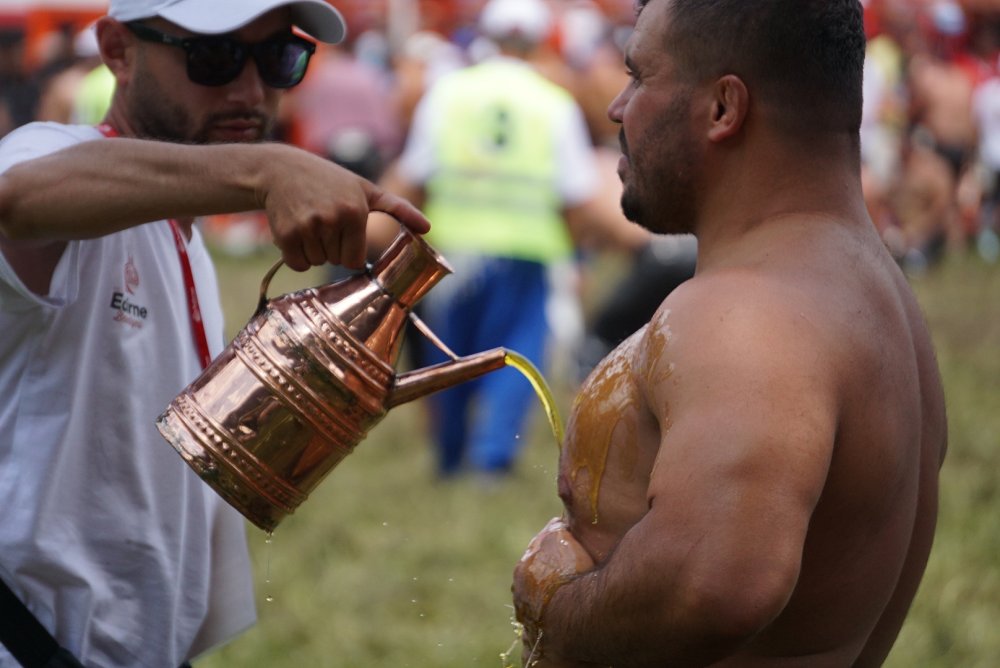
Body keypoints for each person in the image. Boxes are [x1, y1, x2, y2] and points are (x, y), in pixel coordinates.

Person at [512, 1, 948, 666]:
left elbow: (715, 584)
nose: (618, 107)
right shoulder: (877, 296)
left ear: (723, 108)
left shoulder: (747, 314)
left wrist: (553, 607)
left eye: (640, 75)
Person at [0, 0, 429, 666]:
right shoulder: (58, 156)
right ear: (117, 49)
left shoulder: (183, 234)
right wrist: (264, 172)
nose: (250, 90)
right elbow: (16, 199)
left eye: (277, 58)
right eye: (215, 57)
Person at [373, 0, 648, 479]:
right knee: (515, 358)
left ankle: (449, 459)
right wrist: (604, 248)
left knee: (447, 357)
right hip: (527, 251)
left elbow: (415, 176)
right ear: (539, 41)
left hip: (450, 251)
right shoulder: (552, 102)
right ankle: (491, 464)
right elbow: (577, 195)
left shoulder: (448, 93)